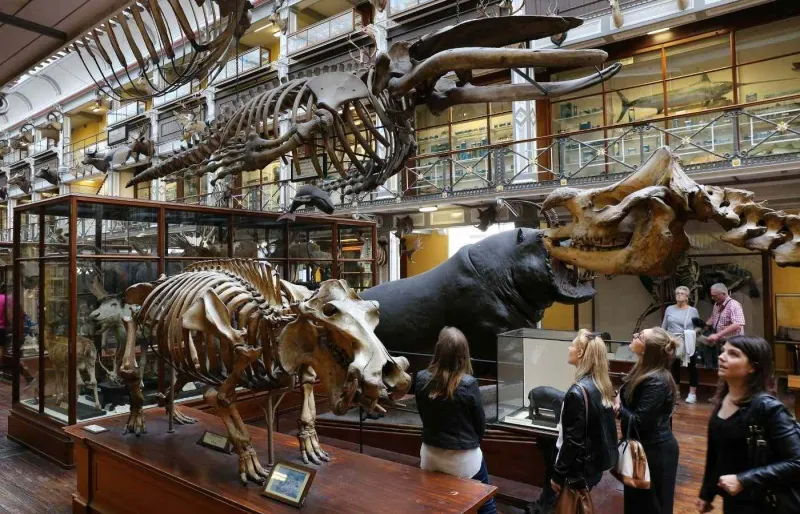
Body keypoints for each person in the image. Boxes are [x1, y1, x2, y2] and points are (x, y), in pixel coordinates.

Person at [697, 336, 800, 514]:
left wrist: (744, 480)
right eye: (723, 351)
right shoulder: (724, 400)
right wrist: (707, 493)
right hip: (735, 500)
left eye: (733, 354)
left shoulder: (768, 408)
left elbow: (797, 462)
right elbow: (716, 454)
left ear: (753, 367)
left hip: (766, 503)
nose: (721, 356)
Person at [415, 326, 497, 514]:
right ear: (463, 354)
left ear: (438, 350)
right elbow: (480, 424)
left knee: (434, 503)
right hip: (464, 460)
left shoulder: (420, 378)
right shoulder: (468, 383)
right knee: (486, 504)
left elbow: (422, 415)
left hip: (431, 455)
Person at [614, 327, 680, 514]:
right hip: (642, 448)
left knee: (654, 507)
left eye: (640, 336)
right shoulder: (643, 370)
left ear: (648, 348)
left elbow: (639, 421)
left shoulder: (657, 380)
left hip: (655, 453)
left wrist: (618, 407)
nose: (634, 336)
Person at [551, 330, 618, 496]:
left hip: (577, 471)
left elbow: (572, 441)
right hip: (593, 467)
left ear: (580, 352)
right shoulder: (600, 384)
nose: (569, 348)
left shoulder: (577, 392)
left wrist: (558, 475)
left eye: (572, 345)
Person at [662, 286, 701, 404]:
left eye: (682, 293)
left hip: (688, 341)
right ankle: (676, 391)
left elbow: (698, 326)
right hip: (673, 341)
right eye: (677, 293)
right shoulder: (669, 309)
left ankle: (692, 393)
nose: (679, 295)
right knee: (673, 366)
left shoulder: (692, 310)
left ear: (687, 297)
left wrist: (691, 333)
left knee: (692, 367)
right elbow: (664, 326)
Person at [705, 283, 746, 368]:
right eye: (712, 296)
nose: (712, 298)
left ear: (724, 293)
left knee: (731, 367)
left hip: (733, 343)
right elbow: (713, 317)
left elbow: (737, 324)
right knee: (721, 367)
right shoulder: (716, 304)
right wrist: (704, 326)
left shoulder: (734, 305)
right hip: (721, 343)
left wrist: (717, 335)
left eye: (715, 296)